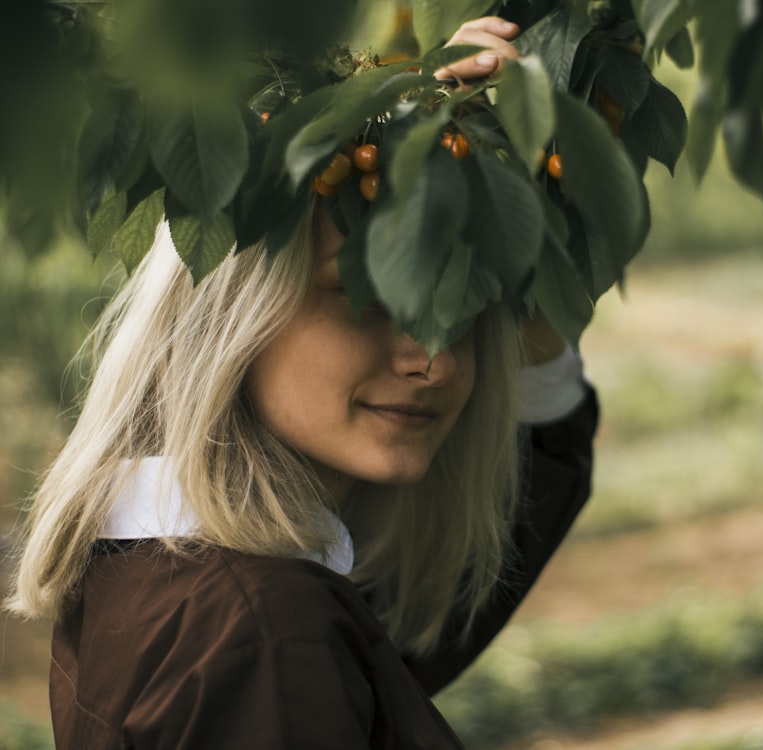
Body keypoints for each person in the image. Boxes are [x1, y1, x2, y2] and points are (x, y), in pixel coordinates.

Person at [6, 17, 598, 749]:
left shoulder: (163, 570)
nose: (433, 359)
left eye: (466, 306)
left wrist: (419, 130)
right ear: (234, 315)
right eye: (368, 298)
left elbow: (394, 636)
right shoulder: (269, 638)